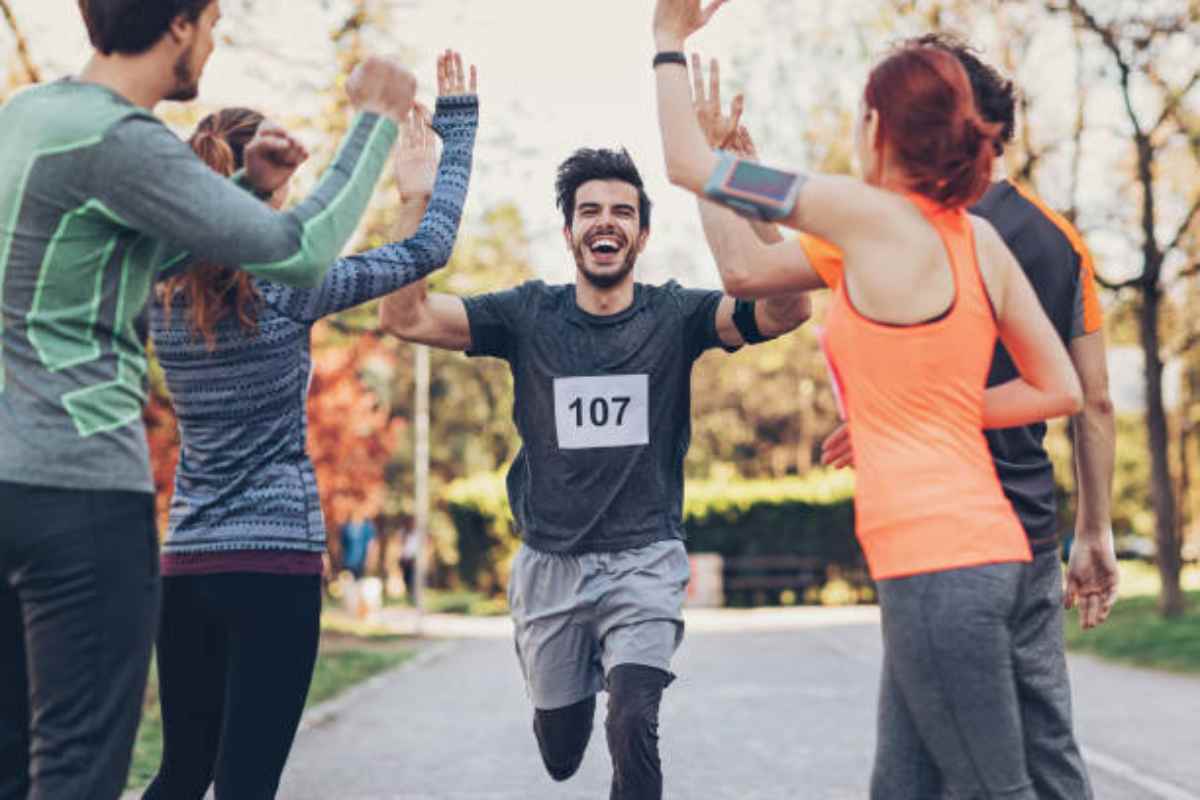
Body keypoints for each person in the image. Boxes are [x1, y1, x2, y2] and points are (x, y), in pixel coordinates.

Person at [650, 2, 1083, 798]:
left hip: (935, 563)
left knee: (998, 789)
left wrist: (667, 42)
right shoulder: (975, 240)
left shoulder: (860, 213)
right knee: (904, 788)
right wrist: (927, 415)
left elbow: (685, 162)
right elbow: (1060, 386)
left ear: (879, 125)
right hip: (982, 553)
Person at [0, 0, 414, 795]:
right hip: (79, 494)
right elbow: (297, 253)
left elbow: (127, 250)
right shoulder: (122, 138)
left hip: (11, 482)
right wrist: (373, 121)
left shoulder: (31, 117)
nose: (217, 40)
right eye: (216, 22)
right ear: (181, 24)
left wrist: (246, 188)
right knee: (79, 772)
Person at [378, 143, 810, 798]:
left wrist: (739, 182)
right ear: (568, 231)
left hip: (645, 558)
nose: (604, 221)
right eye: (589, 211)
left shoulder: (675, 315)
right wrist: (415, 199)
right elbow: (404, 315)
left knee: (634, 715)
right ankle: (560, 695)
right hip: (550, 565)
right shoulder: (527, 315)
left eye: (620, 211)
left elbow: (789, 309)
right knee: (560, 752)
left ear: (641, 233)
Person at [141, 52, 478, 799]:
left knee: (179, 771)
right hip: (272, 564)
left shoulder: (158, 288)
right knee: (246, 781)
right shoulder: (290, 278)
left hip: (187, 563)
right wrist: (453, 142)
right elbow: (427, 250)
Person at [814, 35, 1117, 799]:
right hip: (1030, 528)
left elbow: (752, 275)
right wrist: (1095, 531)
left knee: (957, 757)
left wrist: (910, 415)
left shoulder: (893, 226)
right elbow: (1094, 400)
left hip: (941, 533)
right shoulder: (1062, 239)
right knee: (1043, 742)